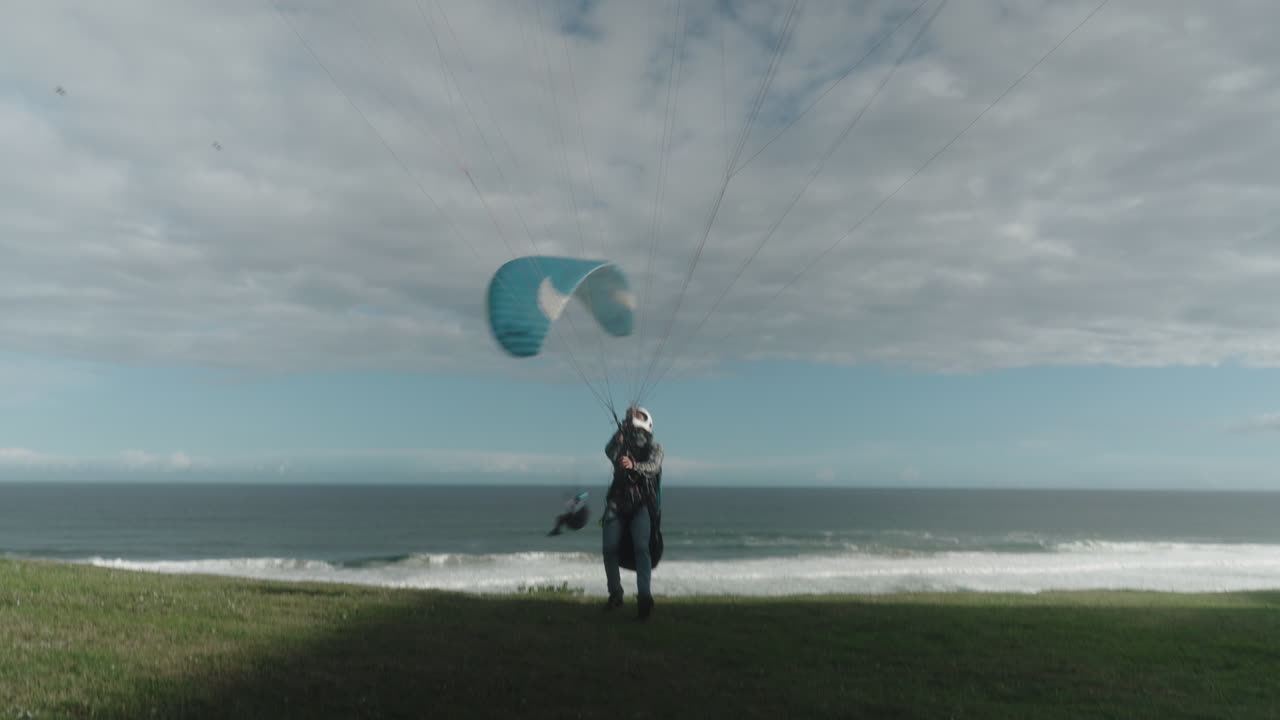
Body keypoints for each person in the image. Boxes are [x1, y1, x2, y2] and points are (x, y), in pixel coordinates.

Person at [601, 405, 664, 620]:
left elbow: (653, 467)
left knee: (641, 547)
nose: (635, 436)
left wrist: (634, 465)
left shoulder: (655, 449)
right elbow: (609, 451)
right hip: (617, 503)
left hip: (641, 504)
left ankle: (644, 596)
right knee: (609, 548)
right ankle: (616, 594)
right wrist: (619, 434)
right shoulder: (621, 447)